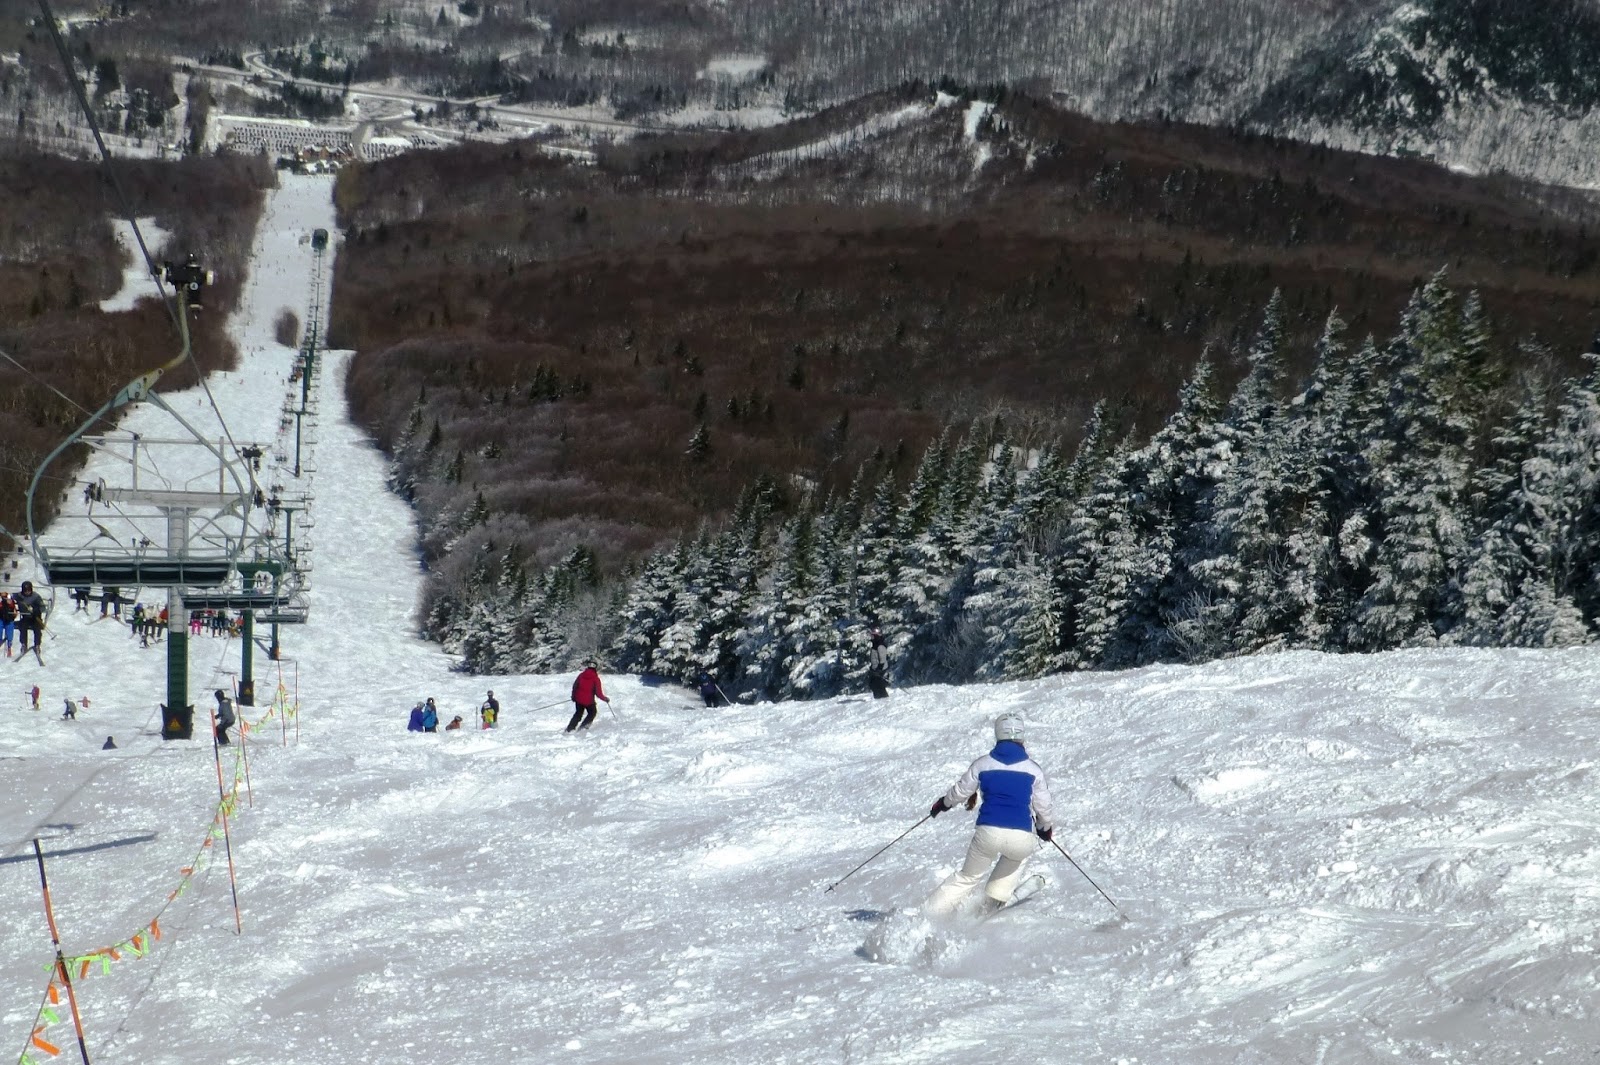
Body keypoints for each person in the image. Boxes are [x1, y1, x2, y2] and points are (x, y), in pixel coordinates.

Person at [923, 713, 1054, 918]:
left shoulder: (983, 764)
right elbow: (1044, 807)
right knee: (1017, 856)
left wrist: (943, 804)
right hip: (1021, 835)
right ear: (1022, 737)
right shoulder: (1033, 769)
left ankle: (928, 915)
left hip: (988, 833)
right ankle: (989, 905)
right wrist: (1044, 828)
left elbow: (961, 791)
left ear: (997, 735)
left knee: (968, 877)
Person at [567, 660, 609, 732]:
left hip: (578, 699)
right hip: (589, 701)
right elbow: (598, 693)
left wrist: (573, 696)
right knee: (592, 713)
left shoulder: (581, 675)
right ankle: (583, 728)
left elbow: (575, 686)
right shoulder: (596, 679)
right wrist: (605, 699)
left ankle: (570, 729)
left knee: (578, 714)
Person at [14, 581, 46, 657]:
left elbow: (43, 608)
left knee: (37, 628)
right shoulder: (19, 596)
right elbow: (8, 596)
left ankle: (37, 645)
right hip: (26, 617)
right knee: (23, 627)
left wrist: (37, 609)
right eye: (25, 591)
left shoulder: (36, 597)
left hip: (35, 617)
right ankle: (24, 644)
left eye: (29, 590)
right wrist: (13, 598)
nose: (27, 592)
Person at [867, 628, 890, 699]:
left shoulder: (880, 645)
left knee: (877, 684)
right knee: (873, 684)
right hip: (876, 668)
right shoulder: (875, 645)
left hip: (880, 669)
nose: (872, 637)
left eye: (873, 636)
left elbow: (882, 658)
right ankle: (878, 698)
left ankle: (883, 698)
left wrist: (879, 669)